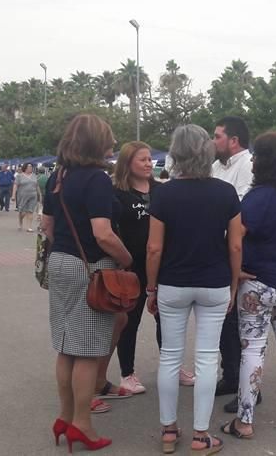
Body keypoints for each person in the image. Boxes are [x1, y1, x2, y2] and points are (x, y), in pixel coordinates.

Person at [146, 124, 242, 454]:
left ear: (175, 153)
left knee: (170, 357)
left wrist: (150, 288)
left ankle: (169, 430)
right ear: (206, 151)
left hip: (172, 283)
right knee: (206, 359)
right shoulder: (226, 193)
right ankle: (202, 436)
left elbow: (154, 248)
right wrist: (232, 285)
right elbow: (235, 246)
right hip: (214, 283)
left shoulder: (163, 193)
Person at [40, 114, 133, 452]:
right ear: (97, 143)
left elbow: (47, 226)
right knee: (90, 350)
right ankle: (83, 424)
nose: (112, 145)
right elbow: (103, 234)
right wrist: (126, 260)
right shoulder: (97, 179)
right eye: (108, 139)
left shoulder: (58, 177)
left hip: (61, 262)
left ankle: (65, 416)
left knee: (66, 345)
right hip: (90, 267)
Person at [221, 132, 276, 439]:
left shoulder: (259, 197)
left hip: (259, 282)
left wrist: (235, 271)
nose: (254, 160)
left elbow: (236, 236)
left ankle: (244, 421)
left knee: (253, 349)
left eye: (257, 155)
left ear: (266, 160)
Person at [112, 142, 195, 396]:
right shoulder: (117, 193)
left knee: (168, 320)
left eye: (150, 159)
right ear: (128, 163)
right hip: (131, 267)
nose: (149, 163)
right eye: (142, 160)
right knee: (130, 321)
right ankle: (127, 373)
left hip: (163, 265)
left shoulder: (161, 191)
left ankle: (172, 366)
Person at [210, 116, 257, 413]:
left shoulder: (248, 166)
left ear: (234, 140)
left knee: (240, 323)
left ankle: (248, 387)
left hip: (237, 250)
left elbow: (242, 211)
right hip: (215, 250)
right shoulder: (216, 167)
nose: (213, 141)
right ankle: (231, 376)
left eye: (217, 136)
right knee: (223, 321)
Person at [14, 163, 38, 232]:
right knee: (23, 212)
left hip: (33, 195)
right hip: (22, 196)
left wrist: (39, 194)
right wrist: (13, 195)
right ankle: (20, 221)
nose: (31, 168)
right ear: (25, 168)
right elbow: (15, 185)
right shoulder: (19, 176)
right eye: (29, 167)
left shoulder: (34, 176)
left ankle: (29, 227)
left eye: (31, 167)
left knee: (30, 211)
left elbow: (37, 185)